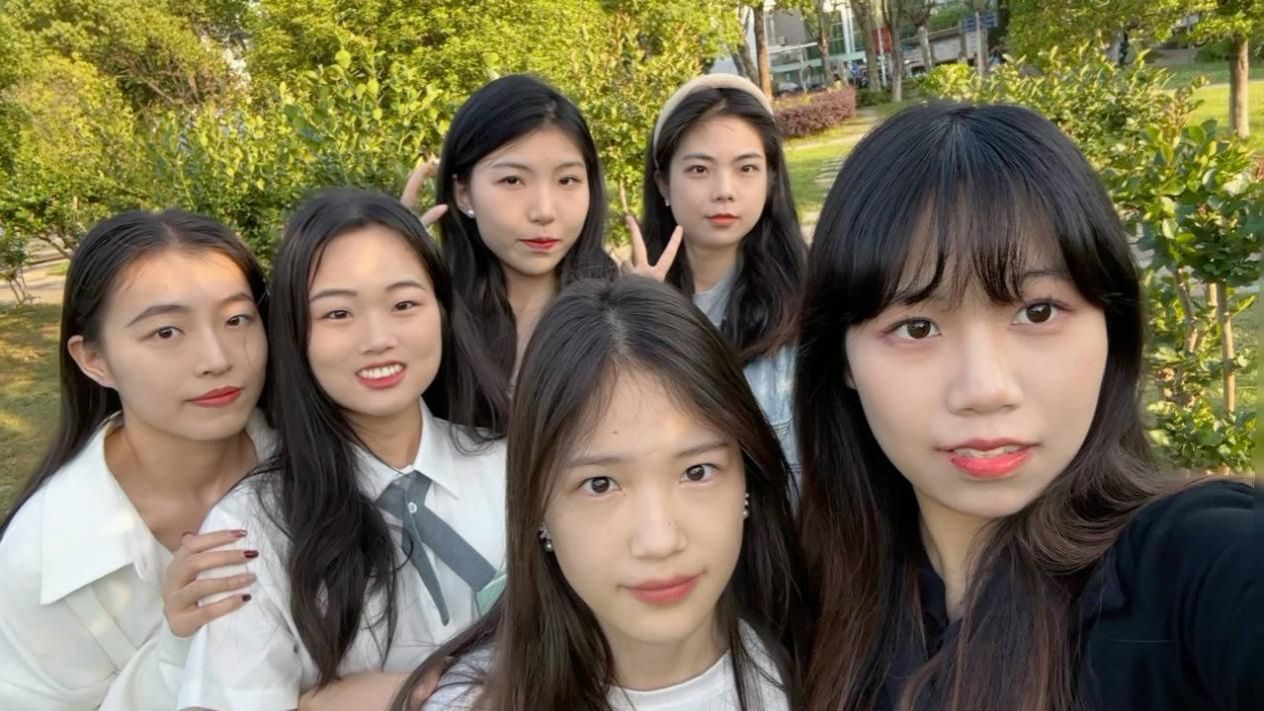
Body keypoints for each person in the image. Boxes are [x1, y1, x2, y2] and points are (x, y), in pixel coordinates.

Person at [795, 102, 1263, 711]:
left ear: (1112, 327)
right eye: (916, 327)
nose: (985, 388)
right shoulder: (810, 597)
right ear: (841, 360)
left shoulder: (1196, 563)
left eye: (1037, 312)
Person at [396, 277, 808, 711]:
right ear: (537, 507)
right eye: (600, 484)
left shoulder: (822, 667)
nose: (659, 541)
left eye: (696, 472)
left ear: (748, 480)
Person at [176, 190, 509, 710]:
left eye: (404, 304)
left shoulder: (513, 467)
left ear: (443, 310)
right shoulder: (250, 530)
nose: (377, 338)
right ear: (295, 332)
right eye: (337, 313)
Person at [0, 210, 272, 709]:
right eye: (166, 332)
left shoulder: (326, 460)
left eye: (236, 319)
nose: (217, 358)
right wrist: (177, 651)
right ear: (94, 359)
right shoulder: (39, 561)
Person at [633, 74, 807, 476]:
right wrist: (640, 319)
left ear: (771, 179)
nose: (724, 190)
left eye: (747, 168)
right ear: (663, 183)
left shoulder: (809, 301)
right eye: (699, 169)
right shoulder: (629, 303)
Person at [424, 74, 617, 386]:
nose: (544, 212)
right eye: (512, 180)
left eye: (567, 180)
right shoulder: (432, 317)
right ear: (464, 193)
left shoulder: (617, 318)